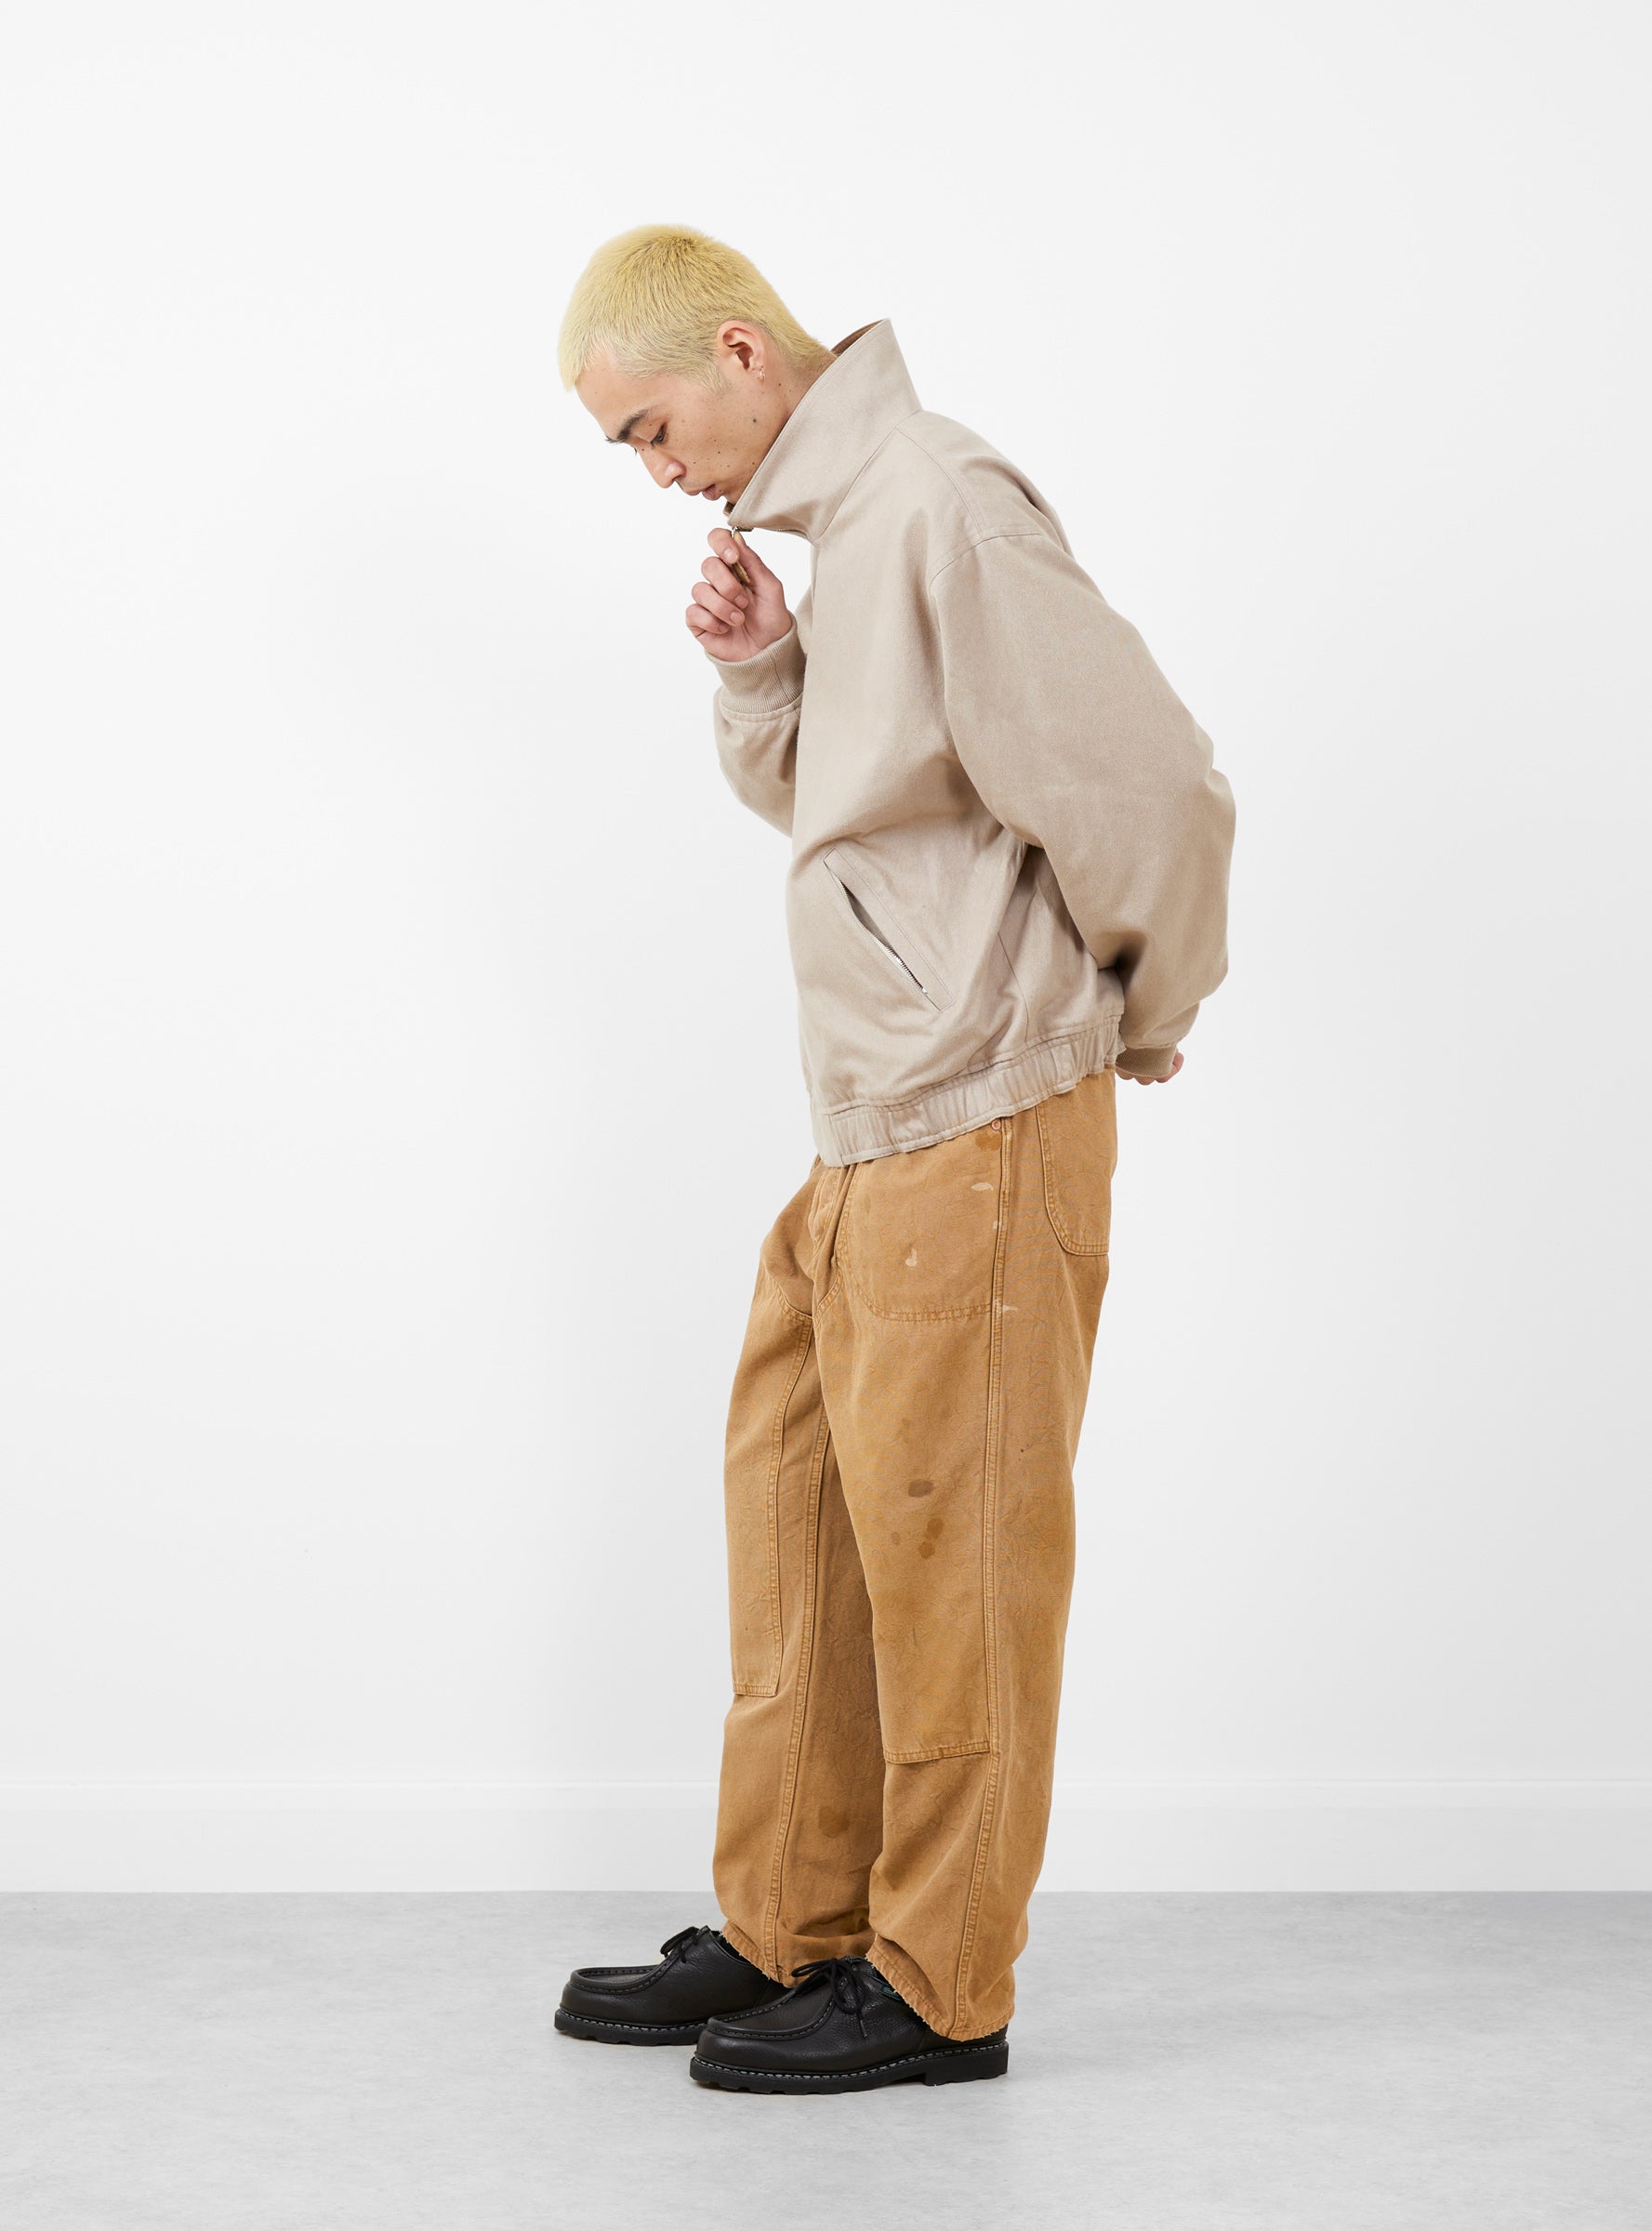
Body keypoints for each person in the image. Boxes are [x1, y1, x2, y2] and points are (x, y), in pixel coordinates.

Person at [552, 224, 1236, 2095]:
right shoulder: (846, 540)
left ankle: (938, 1984)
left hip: (978, 1110)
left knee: (954, 1558)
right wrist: (767, 675)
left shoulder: (937, 501)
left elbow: (1152, 783)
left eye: (646, 428)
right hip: (866, 1122)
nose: (651, 470)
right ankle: (795, 1923)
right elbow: (863, 818)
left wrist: (1141, 1004)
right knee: (806, 1534)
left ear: (735, 352)